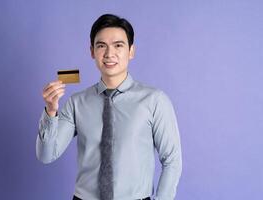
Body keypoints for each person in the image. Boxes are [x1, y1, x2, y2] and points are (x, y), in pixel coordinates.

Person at [37, 14, 182, 200]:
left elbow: (172, 160)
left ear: (131, 51)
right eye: (101, 46)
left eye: (118, 45)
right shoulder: (76, 103)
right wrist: (50, 111)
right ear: (92, 52)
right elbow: (46, 155)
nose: (109, 54)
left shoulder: (155, 100)